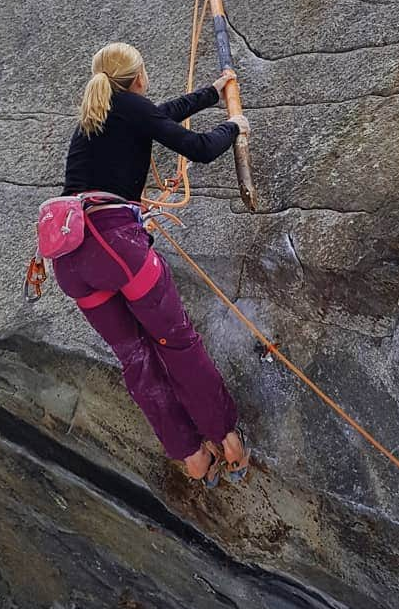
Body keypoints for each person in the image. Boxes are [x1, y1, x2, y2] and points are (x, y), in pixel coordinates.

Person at [52, 41, 251, 486]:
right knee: (174, 341)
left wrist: (210, 93)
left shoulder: (94, 117)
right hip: (117, 247)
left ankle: (192, 456)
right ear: (138, 77)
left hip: (72, 262)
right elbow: (197, 147)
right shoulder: (131, 109)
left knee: (134, 356)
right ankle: (225, 437)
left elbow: (161, 114)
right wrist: (234, 126)